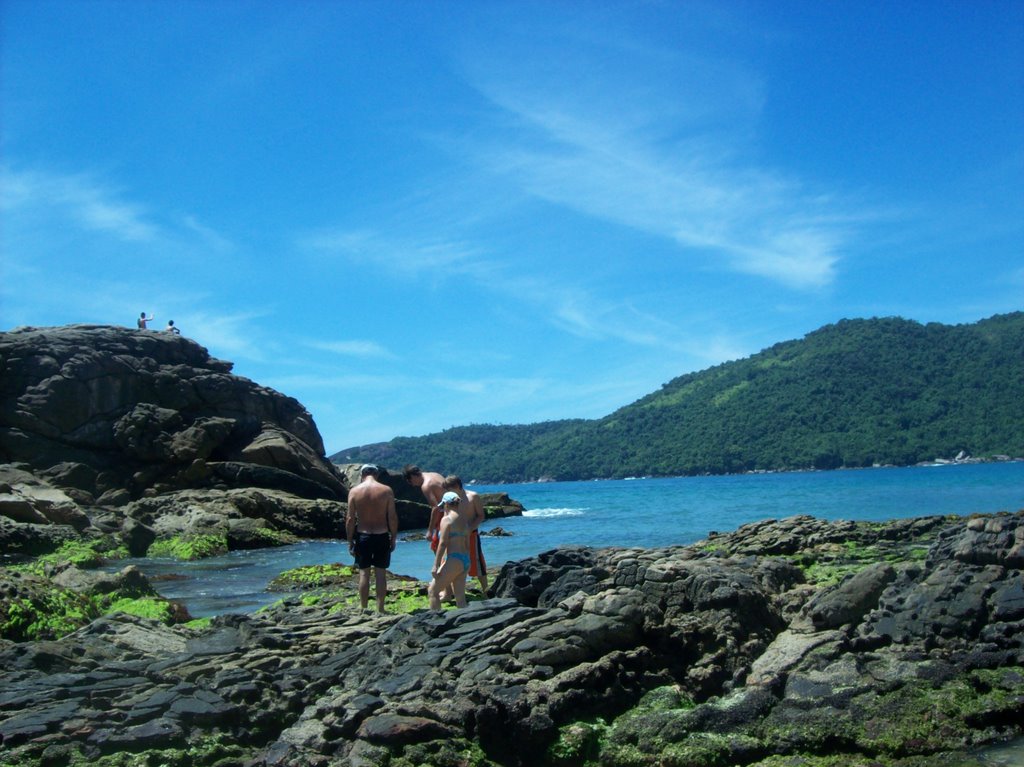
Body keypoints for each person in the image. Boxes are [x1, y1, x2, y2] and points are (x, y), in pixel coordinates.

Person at [345, 464, 398, 613]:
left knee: (364, 573)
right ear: (377, 474)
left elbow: (350, 519)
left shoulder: (354, 491)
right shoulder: (386, 490)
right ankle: (380, 609)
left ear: (362, 475)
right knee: (381, 574)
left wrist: (350, 540)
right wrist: (393, 537)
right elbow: (392, 517)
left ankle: (364, 608)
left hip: (363, 536)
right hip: (382, 535)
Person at [443, 474, 488, 595]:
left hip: (471, 534)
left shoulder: (473, 496)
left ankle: (486, 590)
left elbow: (481, 515)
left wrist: (470, 528)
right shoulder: (449, 498)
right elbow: (445, 516)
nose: (447, 492)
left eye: (449, 489)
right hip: (453, 536)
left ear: (457, 486)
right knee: (450, 562)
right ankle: (452, 593)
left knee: (477, 561)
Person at [428, 491, 470, 610]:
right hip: (465, 560)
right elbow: (467, 543)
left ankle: (436, 624)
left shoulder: (446, 520)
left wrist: (436, 565)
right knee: (461, 599)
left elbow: (443, 543)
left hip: (454, 559)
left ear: (446, 504)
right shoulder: (463, 520)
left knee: (432, 592)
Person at [402, 465, 447, 551]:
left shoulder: (426, 486)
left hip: (445, 514)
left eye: (410, 482)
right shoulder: (435, 474)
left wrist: (430, 531)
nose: (413, 485)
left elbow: (435, 508)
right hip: (456, 508)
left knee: (436, 547)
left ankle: (441, 564)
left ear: (412, 476)